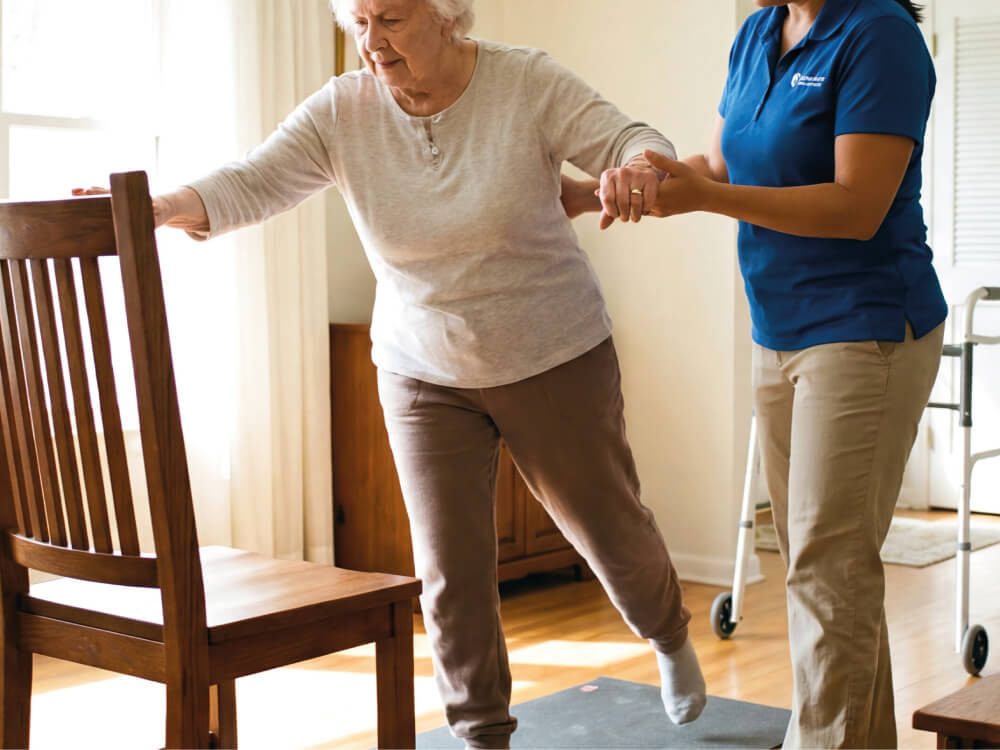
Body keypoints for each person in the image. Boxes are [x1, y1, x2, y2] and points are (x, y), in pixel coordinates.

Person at [76, 1, 708, 746]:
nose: (373, 43)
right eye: (360, 22)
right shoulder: (343, 109)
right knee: (450, 571)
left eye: (394, 19)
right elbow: (255, 179)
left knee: (607, 530)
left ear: (448, 16)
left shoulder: (525, 82)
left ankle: (666, 636)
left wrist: (637, 166)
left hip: (551, 353)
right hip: (420, 367)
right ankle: (480, 734)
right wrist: (164, 206)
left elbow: (635, 138)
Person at [564, 0, 945, 747]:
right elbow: (721, 162)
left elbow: (857, 206)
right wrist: (626, 186)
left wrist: (707, 198)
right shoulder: (758, 32)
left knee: (827, 568)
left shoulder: (880, 36)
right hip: (777, 326)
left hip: (865, 327)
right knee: (821, 564)